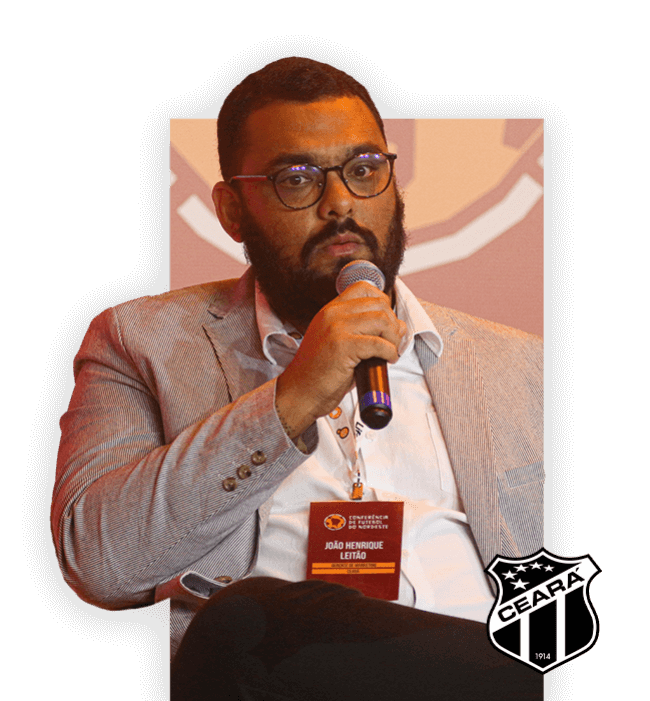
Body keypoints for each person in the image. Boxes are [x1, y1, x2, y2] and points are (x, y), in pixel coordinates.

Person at [52, 58, 543, 700]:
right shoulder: (137, 340)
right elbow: (100, 564)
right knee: (243, 622)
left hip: (492, 668)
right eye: (296, 180)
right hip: (277, 678)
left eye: (364, 170)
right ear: (232, 211)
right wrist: (291, 399)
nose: (341, 203)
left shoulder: (520, 364)